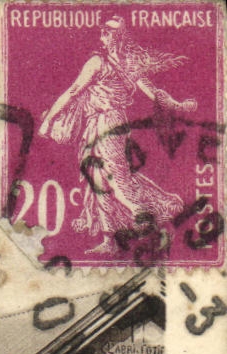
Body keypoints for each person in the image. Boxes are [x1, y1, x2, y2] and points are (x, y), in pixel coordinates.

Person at [39, 16, 197, 254]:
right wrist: (179, 105)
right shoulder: (121, 64)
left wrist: (49, 120)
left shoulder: (101, 62)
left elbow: (73, 91)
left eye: (109, 31)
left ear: (118, 36)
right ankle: (109, 240)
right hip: (101, 123)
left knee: (114, 174)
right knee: (97, 179)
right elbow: (154, 93)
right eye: (104, 30)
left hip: (108, 122)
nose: (104, 34)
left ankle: (141, 215)